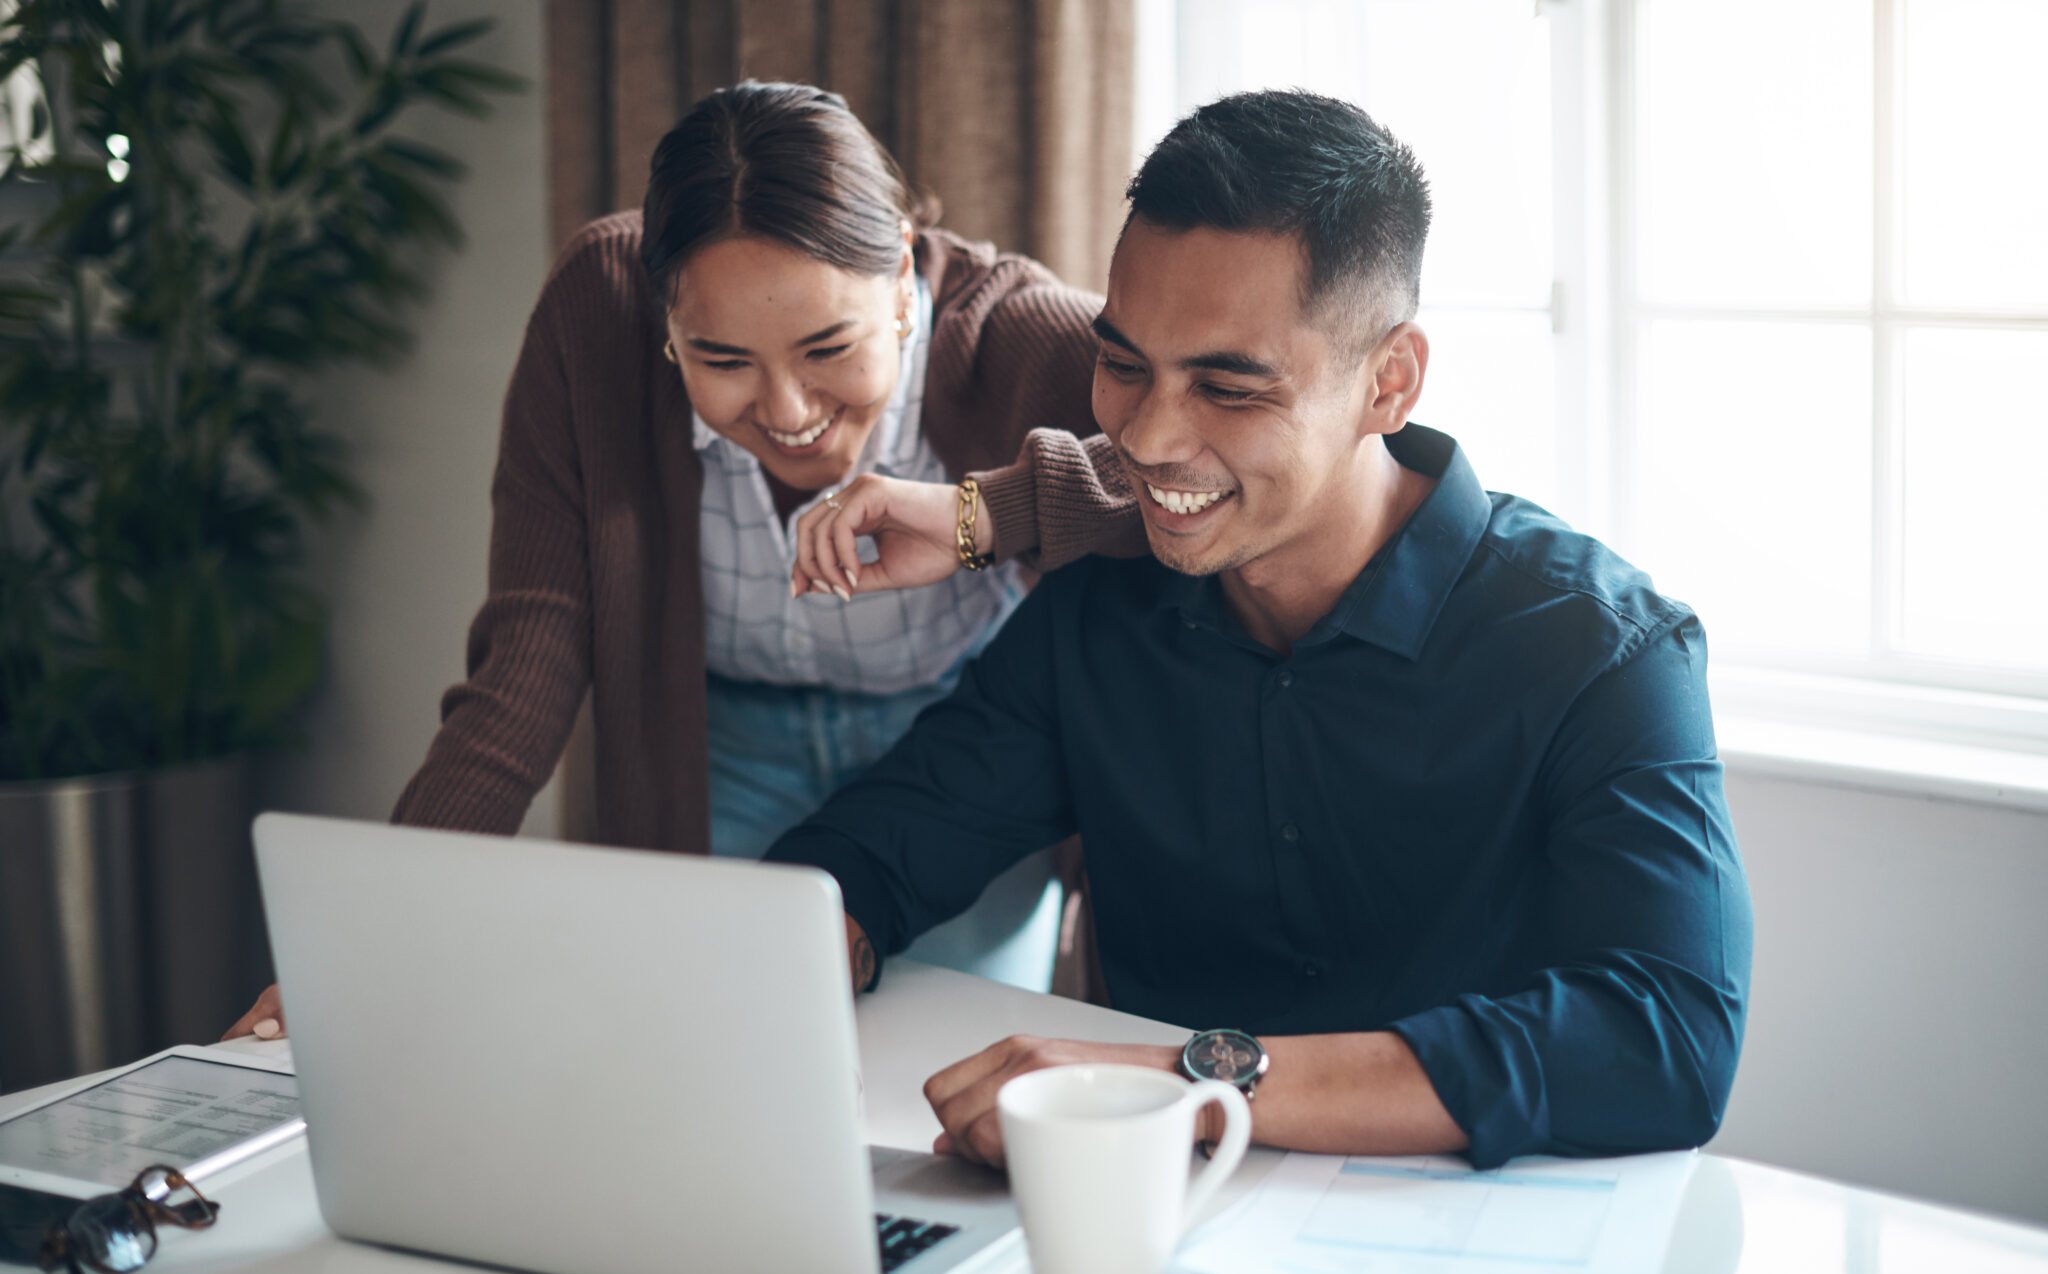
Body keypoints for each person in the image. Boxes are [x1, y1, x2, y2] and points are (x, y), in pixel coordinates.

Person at [769, 89, 1753, 1170]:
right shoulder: (1095, 615)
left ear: (1388, 381)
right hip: (1146, 1228)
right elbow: (876, 847)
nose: (1144, 436)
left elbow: (1664, 1039)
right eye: (1125, 363)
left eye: (1226, 388)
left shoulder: (1602, 651)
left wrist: (1187, 1085)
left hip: (1482, 1244)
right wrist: (811, 941)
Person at [223, 81, 1142, 1041]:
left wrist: (975, 513)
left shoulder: (1019, 334)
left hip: (953, 766)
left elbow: (1187, 480)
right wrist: (373, 933)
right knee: (690, 1058)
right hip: (714, 757)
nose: (787, 411)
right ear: (664, 320)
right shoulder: (596, 309)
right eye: (724, 360)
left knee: (930, 1076)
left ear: (903, 278)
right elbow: (525, 665)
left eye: (829, 348)